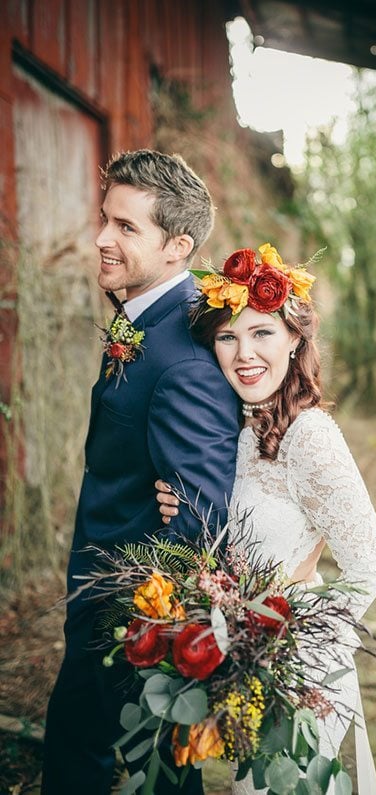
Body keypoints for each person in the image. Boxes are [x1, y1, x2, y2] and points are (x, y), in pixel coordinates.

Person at [156, 244, 376, 794]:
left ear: (294, 340)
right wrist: (177, 502)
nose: (244, 353)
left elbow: (370, 564)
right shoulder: (239, 431)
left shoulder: (309, 436)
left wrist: (289, 644)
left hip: (297, 675)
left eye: (262, 332)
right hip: (249, 669)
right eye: (227, 337)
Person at [42, 150, 240, 795]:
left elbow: (199, 518)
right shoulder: (145, 320)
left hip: (133, 615)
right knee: (93, 749)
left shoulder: (183, 356)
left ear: (178, 246)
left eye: (126, 229)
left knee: (146, 766)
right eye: (106, 219)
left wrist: (150, 630)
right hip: (103, 589)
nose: (102, 238)